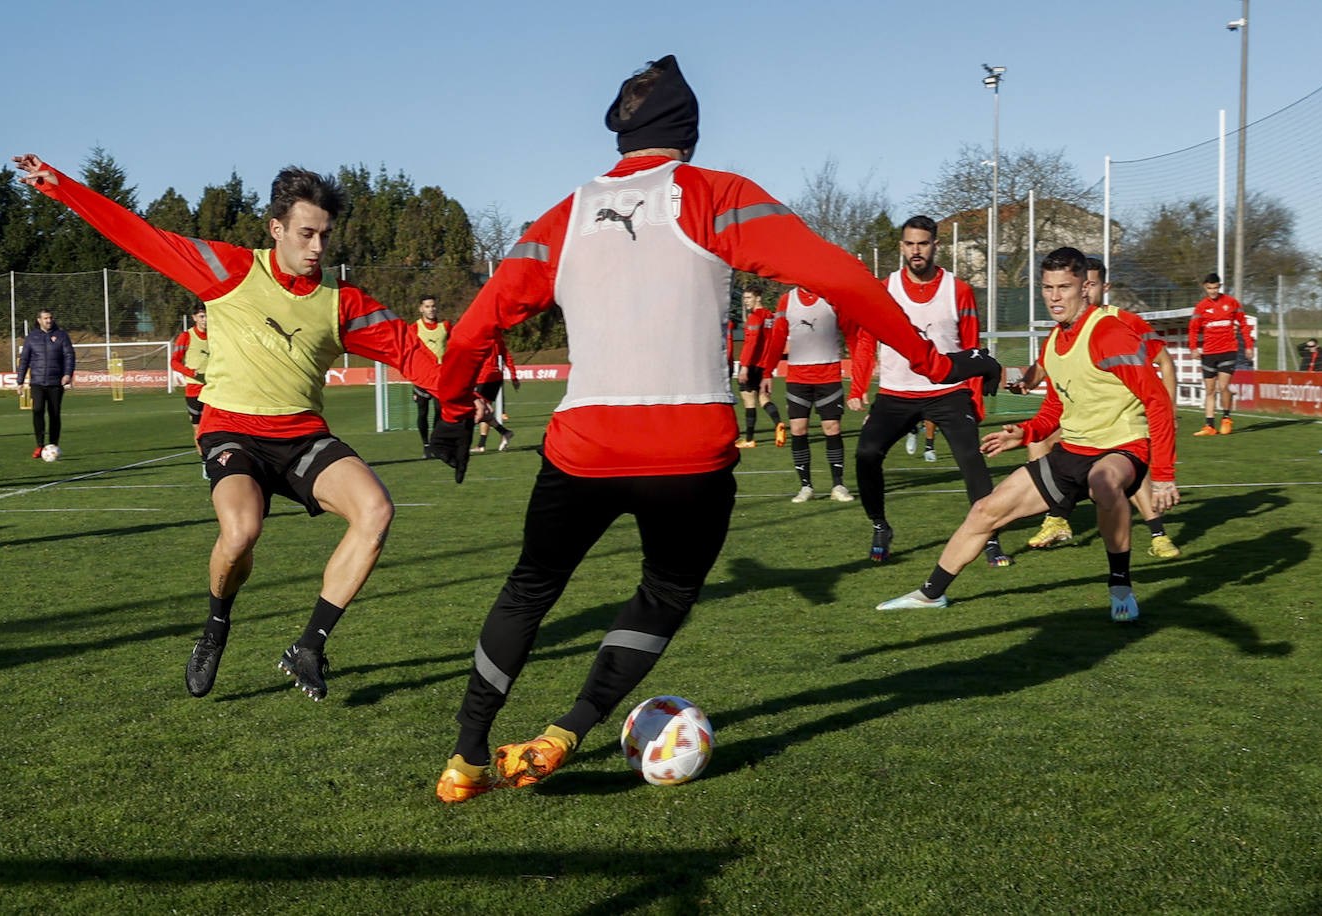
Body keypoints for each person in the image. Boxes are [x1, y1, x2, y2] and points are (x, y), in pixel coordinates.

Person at [426, 54, 1000, 803]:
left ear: (619, 135)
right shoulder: (713, 195)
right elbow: (845, 279)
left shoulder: (561, 218)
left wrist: (451, 410)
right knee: (664, 593)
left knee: (529, 591)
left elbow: (473, 329)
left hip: (583, 447)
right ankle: (568, 729)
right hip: (689, 452)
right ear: (689, 135)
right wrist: (928, 355)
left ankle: (465, 760)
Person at [14, 153, 441, 702]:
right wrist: (64, 188)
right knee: (241, 534)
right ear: (276, 228)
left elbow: (410, 350)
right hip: (231, 430)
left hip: (303, 435)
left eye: (325, 236)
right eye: (306, 233)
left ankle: (309, 645)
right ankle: (216, 627)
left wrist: (461, 399)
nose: (316, 248)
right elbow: (140, 236)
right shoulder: (231, 270)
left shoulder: (342, 303)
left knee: (377, 510)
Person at [878, 247, 1178, 622]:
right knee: (985, 510)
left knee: (1104, 481)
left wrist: (1164, 477)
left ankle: (1121, 588)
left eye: (1063, 287)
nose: (1054, 296)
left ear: (1085, 287)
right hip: (1072, 451)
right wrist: (1024, 433)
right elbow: (1055, 406)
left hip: (1122, 447)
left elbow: (1158, 402)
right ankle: (930, 594)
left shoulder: (1111, 334)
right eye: (1047, 287)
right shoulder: (1054, 340)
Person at [849, 215, 1010, 566]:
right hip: (895, 393)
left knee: (971, 460)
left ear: (936, 245)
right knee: (866, 453)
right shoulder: (884, 288)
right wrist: (858, 386)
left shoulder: (960, 290)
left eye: (923, 243)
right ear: (901, 247)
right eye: (909, 244)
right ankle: (880, 525)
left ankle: (990, 537)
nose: (916, 250)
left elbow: (972, 349)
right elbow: (865, 340)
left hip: (948, 393)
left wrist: (975, 399)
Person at [1020, 257, 1182, 558]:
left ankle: (1158, 533)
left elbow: (1163, 362)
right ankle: (1057, 517)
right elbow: (1047, 366)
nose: (1085, 290)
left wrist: (1168, 411)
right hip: (1081, 420)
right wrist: (1027, 380)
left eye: (1091, 284)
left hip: (1123, 419)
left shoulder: (1123, 323)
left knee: (1129, 472)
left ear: (1098, 287)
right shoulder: (1066, 327)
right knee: (1039, 443)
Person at [761, 287, 858, 503]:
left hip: (829, 375)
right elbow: (777, 337)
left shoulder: (834, 297)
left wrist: (859, 379)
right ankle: (806, 487)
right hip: (797, 377)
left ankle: (838, 485)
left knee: (832, 428)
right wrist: (767, 371)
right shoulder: (787, 300)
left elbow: (852, 334)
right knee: (798, 429)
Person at [1188, 272, 1253, 436]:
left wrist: (1248, 346)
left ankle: (1226, 418)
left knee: (1223, 386)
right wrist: (1193, 348)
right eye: (1209, 288)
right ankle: (1209, 426)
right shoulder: (1201, 306)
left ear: (1220, 286)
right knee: (1209, 390)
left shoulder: (1231, 303)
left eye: (1215, 288)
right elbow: (1193, 329)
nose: (1213, 291)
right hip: (1209, 353)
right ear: (1205, 287)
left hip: (1228, 351)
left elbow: (1244, 325)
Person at [16, 308, 75, 458]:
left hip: (56, 382)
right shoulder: (32, 337)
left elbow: (69, 356)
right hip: (37, 382)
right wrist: (20, 381)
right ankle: (39, 445)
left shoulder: (61, 335)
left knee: (54, 414)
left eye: (50, 318)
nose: (49, 320)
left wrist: (67, 374)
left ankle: (54, 444)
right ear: (39, 320)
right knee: (37, 411)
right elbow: (24, 360)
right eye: (46, 318)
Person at [734, 283, 785, 448]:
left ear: (758, 298)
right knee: (764, 398)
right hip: (765, 365)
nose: (746, 301)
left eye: (749, 298)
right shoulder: (771, 316)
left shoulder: (754, 318)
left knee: (749, 401)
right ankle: (778, 423)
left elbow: (751, 343)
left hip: (752, 364)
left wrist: (744, 366)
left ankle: (749, 439)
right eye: (744, 298)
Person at [411, 295, 451, 458]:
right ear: (421, 309)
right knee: (422, 412)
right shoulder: (415, 328)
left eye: (433, 306)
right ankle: (426, 445)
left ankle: (435, 443)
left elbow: (455, 344)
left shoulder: (446, 326)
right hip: (421, 378)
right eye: (427, 306)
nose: (431, 309)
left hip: (440, 377)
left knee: (440, 411)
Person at [170, 304, 210, 457]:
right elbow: (174, 362)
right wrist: (190, 372)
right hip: (194, 390)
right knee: (198, 429)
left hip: (214, 388)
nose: (205, 320)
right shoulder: (186, 336)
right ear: (194, 318)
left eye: (207, 316)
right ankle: (204, 461)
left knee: (217, 427)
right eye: (201, 316)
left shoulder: (217, 336)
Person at [471, 328, 518, 452]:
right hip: (496, 378)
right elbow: (507, 357)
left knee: (479, 410)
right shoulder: (497, 338)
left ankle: (503, 432)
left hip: (484, 378)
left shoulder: (478, 338)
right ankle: (482, 444)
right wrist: (514, 376)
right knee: (485, 410)